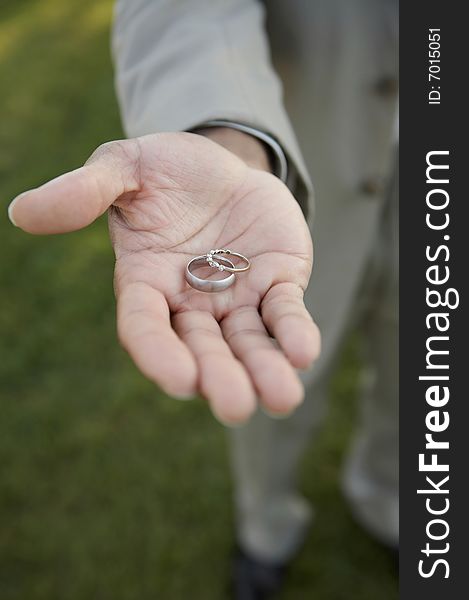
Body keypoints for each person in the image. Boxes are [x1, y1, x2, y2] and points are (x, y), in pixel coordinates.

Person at [8, 0, 398, 597]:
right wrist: (228, 141)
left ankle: (390, 499)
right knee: (269, 382)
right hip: (297, 179)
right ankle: (266, 529)